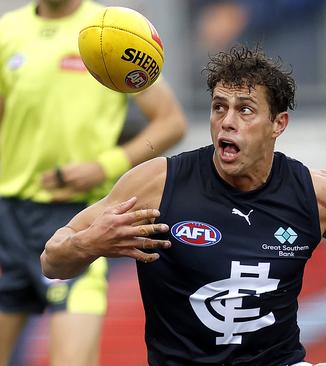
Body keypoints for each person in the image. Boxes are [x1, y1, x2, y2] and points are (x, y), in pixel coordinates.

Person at [39, 45, 326, 366]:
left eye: (244, 110)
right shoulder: (157, 183)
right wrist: (88, 244)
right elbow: (53, 259)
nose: (227, 121)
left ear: (278, 124)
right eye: (218, 107)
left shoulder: (313, 194)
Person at [0, 1, 187, 366]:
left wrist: (103, 168)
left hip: (77, 222)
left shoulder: (111, 28)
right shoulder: (7, 31)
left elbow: (171, 123)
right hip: (9, 219)